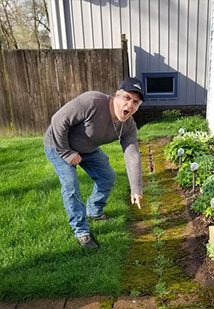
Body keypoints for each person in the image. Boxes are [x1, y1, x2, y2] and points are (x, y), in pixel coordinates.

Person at [44, 77, 144, 249]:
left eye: (135, 102)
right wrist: (67, 153)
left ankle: (95, 211)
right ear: (116, 96)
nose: (130, 105)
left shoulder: (128, 126)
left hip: (87, 148)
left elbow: (132, 154)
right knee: (71, 185)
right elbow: (58, 120)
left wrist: (136, 189)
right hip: (58, 145)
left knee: (108, 177)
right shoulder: (92, 101)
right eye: (127, 98)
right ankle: (81, 231)